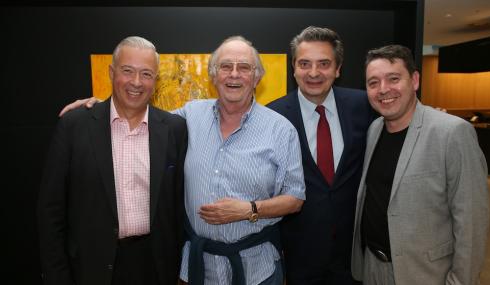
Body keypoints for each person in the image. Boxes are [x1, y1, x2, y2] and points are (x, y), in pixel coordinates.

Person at [58, 36, 306, 285]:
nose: (234, 75)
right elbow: (140, 114)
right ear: (213, 75)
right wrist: (100, 106)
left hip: (256, 269)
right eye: (225, 66)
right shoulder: (189, 116)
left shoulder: (281, 130)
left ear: (257, 77)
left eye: (244, 67)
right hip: (198, 270)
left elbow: (295, 198)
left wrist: (250, 209)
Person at [37, 36, 188, 285]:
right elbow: (50, 212)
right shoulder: (74, 126)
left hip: (155, 268)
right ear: (111, 72)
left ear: (156, 80)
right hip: (91, 268)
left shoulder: (175, 129)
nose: (136, 82)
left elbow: (178, 207)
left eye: (146, 74)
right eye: (127, 71)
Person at [351, 44, 490, 285]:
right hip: (372, 268)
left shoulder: (452, 133)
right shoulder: (374, 130)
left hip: (426, 274)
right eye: (373, 83)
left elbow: (472, 222)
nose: (383, 89)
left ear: (414, 80)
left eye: (393, 78)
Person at [267, 26, 374, 284]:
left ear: (338, 69)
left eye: (324, 64)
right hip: (298, 254)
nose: (313, 73)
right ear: (294, 68)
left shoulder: (365, 106)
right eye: (304, 63)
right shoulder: (273, 116)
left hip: (354, 254)